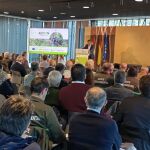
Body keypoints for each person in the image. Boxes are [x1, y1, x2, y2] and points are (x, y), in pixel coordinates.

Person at [114, 75, 150, 150]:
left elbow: (115, 122)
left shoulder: (126, 101)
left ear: (139, 87)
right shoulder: (126, 101)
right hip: (143, 145)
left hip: (122, 142)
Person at [29, 77, 65, 149]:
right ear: (44, 91)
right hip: (42, 145)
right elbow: (58, 136)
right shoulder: (47, 110)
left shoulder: (18, 105)